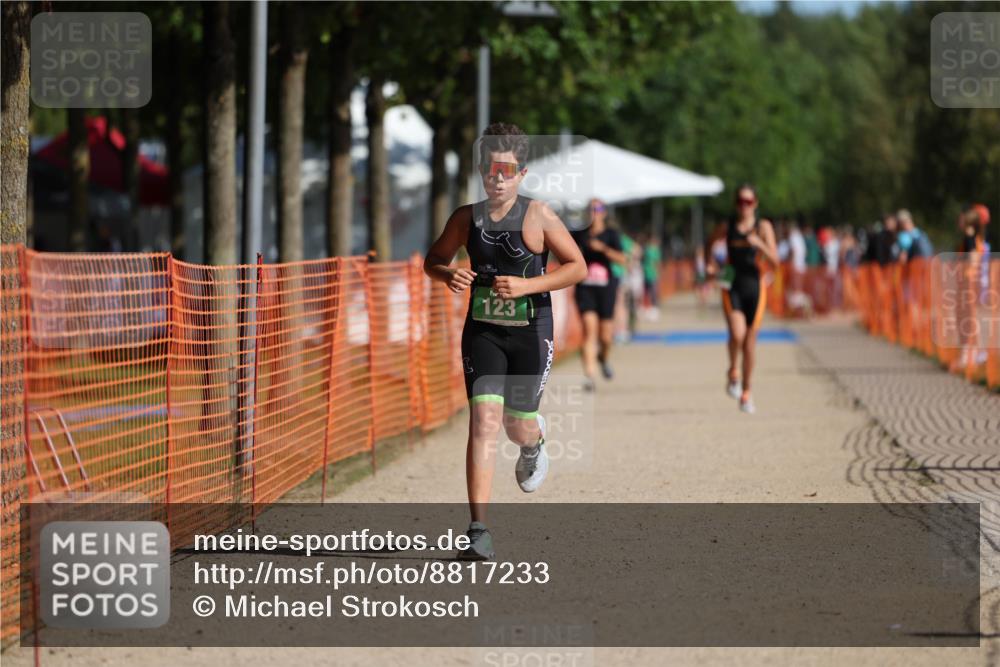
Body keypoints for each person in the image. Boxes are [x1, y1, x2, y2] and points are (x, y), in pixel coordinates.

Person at [423, 123, 587, 560]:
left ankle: (533, 443)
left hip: (532, 331)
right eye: (490, 170)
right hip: (484, 331)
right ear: (481, 171)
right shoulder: (464, 218)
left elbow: (577, 267)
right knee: (484, 424)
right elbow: (433, 260)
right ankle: (478, 530)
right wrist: (447, 273)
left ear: (522, 173)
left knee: (518, 425)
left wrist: (527, 287)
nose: (497, 178)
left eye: (506, 171)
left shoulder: (539, 216)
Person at [707, 184, 779, 414]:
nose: (744, 206)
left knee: (749, 343)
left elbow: (776, 261)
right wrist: (709, 263)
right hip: (732, 285)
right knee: (737, 334)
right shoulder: (727, 226)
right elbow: (709, 243)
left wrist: (760, 244)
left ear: (755, 204)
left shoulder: (763, 227)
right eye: (740, 201)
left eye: (748, 202)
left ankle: (747, 392)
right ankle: (733, 371)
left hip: (756, 287)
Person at [573, 199, 627, 391]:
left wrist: (603, 249)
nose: (594, 212)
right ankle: (589, 376)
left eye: (598, 209)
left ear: (604, 212)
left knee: (605, 337)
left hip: (606, 288)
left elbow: (622, 259)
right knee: (589, 331)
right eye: (591, 209)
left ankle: (603, 358)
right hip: (585, 288)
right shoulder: (580, 234)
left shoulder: (611, 234)